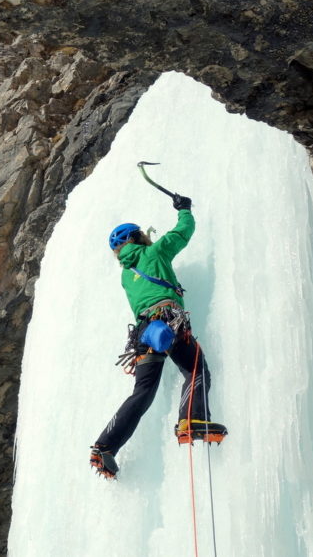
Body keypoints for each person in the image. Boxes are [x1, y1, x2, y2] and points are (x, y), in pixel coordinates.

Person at [89, 193, 226, 479]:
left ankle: (104, 447)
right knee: (196, 369)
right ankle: (192, 421)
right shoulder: (154, 253)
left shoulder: (126, 275)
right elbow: (181, 234)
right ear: (139, 238)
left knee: (143, 393)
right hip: (168, 322)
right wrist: (184, 209)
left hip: (144, 334)